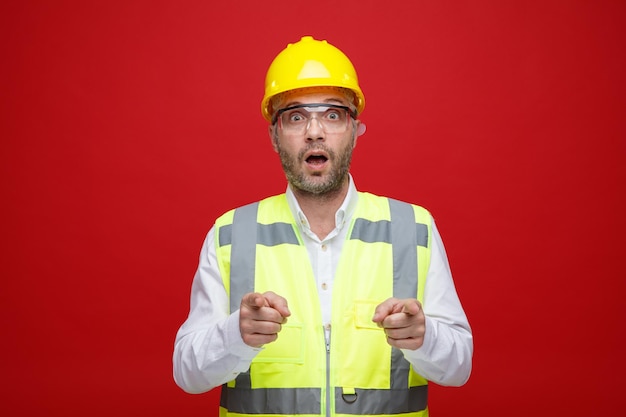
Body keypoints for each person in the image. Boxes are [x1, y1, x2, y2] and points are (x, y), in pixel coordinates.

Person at [173, 36, 473, 417]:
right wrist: (236, 334)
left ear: (355, 128)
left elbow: (460, 366)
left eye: (332, 114)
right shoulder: (230, 234)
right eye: (296, 116)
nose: (315, 131)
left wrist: (424, 337)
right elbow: (186, 372)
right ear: (274, 134)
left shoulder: (414, 229)